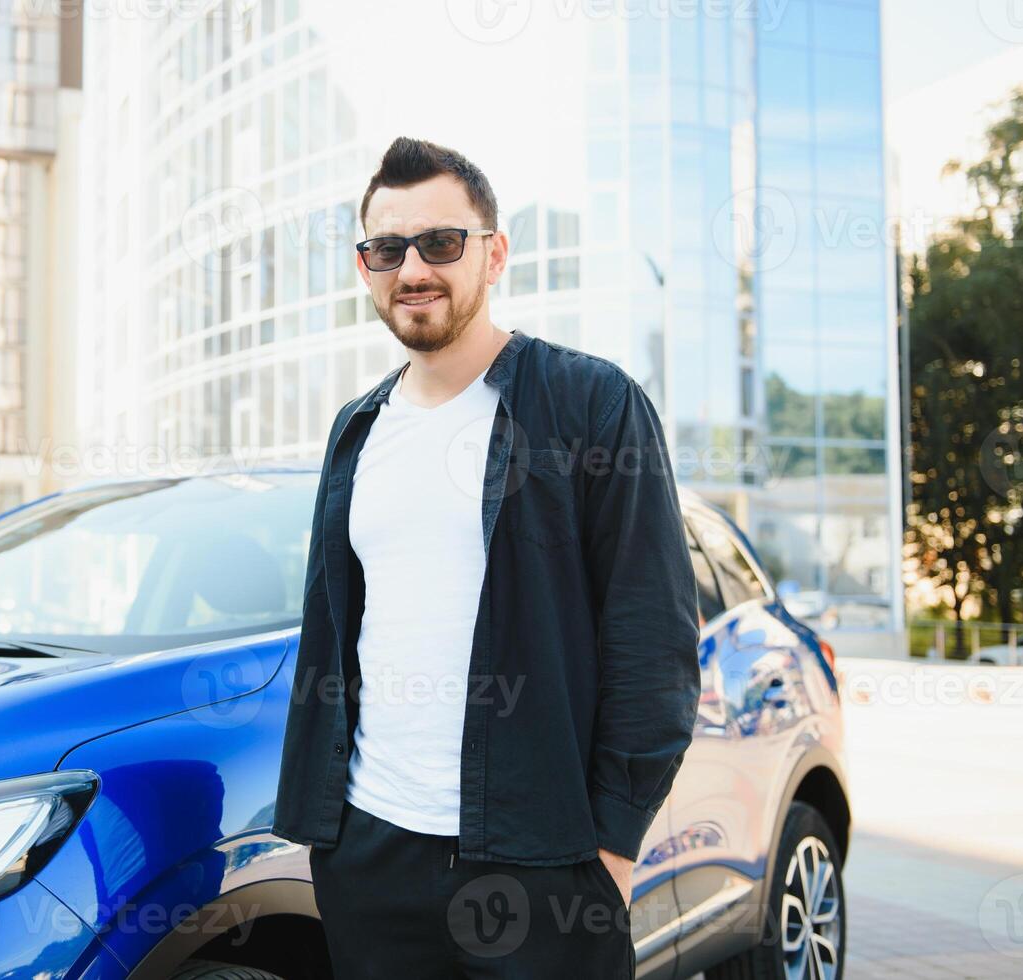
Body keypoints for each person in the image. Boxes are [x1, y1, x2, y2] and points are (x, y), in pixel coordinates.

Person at [271, 136, 701, 978]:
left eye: (441, 242)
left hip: (543, 863)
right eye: (387, 249)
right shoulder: (356, 431)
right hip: (373, 856)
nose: (413, 269)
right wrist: (335, 845)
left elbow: (654, 638)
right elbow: (338, 631)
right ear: (366, 267)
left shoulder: (591, 403)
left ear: (494, 253)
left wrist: (610, 849)